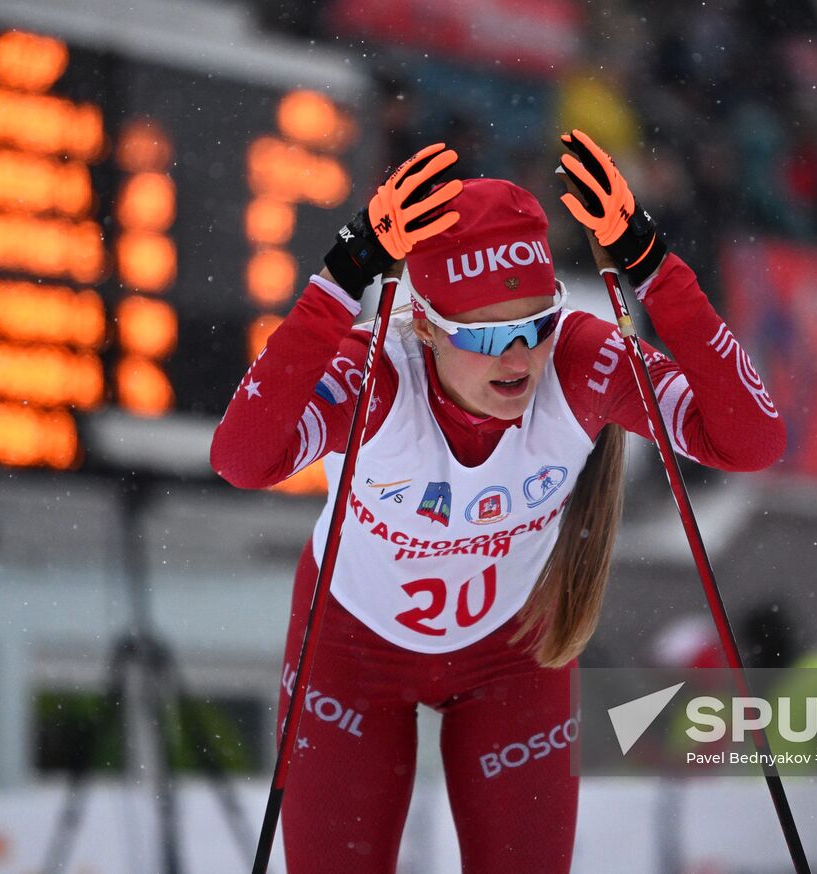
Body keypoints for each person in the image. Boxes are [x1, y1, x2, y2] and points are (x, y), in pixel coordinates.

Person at [210, 131, 785, 873]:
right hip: (351, 652)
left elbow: (752, 440)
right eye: (485, 335)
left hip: (513, 656)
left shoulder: (578, 361)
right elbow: (242, 458)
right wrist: (342, 276)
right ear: (424, 327)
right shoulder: (378, 376)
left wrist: (650, 265)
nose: (518, 358)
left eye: (534, 325)